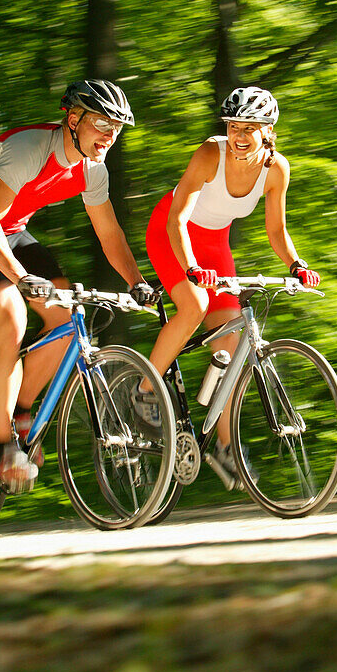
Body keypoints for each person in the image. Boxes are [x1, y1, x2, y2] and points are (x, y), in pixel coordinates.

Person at [0, 79, 156, 492]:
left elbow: (110, 235)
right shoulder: (29, 151)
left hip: (13, 230)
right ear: (73, 120)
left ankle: (21, 411)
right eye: (100, 124)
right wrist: (20, 279)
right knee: (12, 316)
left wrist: (137, 282)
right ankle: (4, 448)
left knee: (67, 319)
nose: (109, 136)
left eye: (116, 129)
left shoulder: (93, 169)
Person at [138, 85, 320, 482]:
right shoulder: (210, 155)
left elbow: (277, 231)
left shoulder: (277, 170)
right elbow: (177, 218)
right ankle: (145, 391)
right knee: (195, 306)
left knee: (232, 345)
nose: (238, 136)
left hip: (215, 242)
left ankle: (224, 447)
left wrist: (297, 264)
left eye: (249, 128)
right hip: (172, 233)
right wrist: (190, 268)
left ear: (267, 132)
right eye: (233, 126)